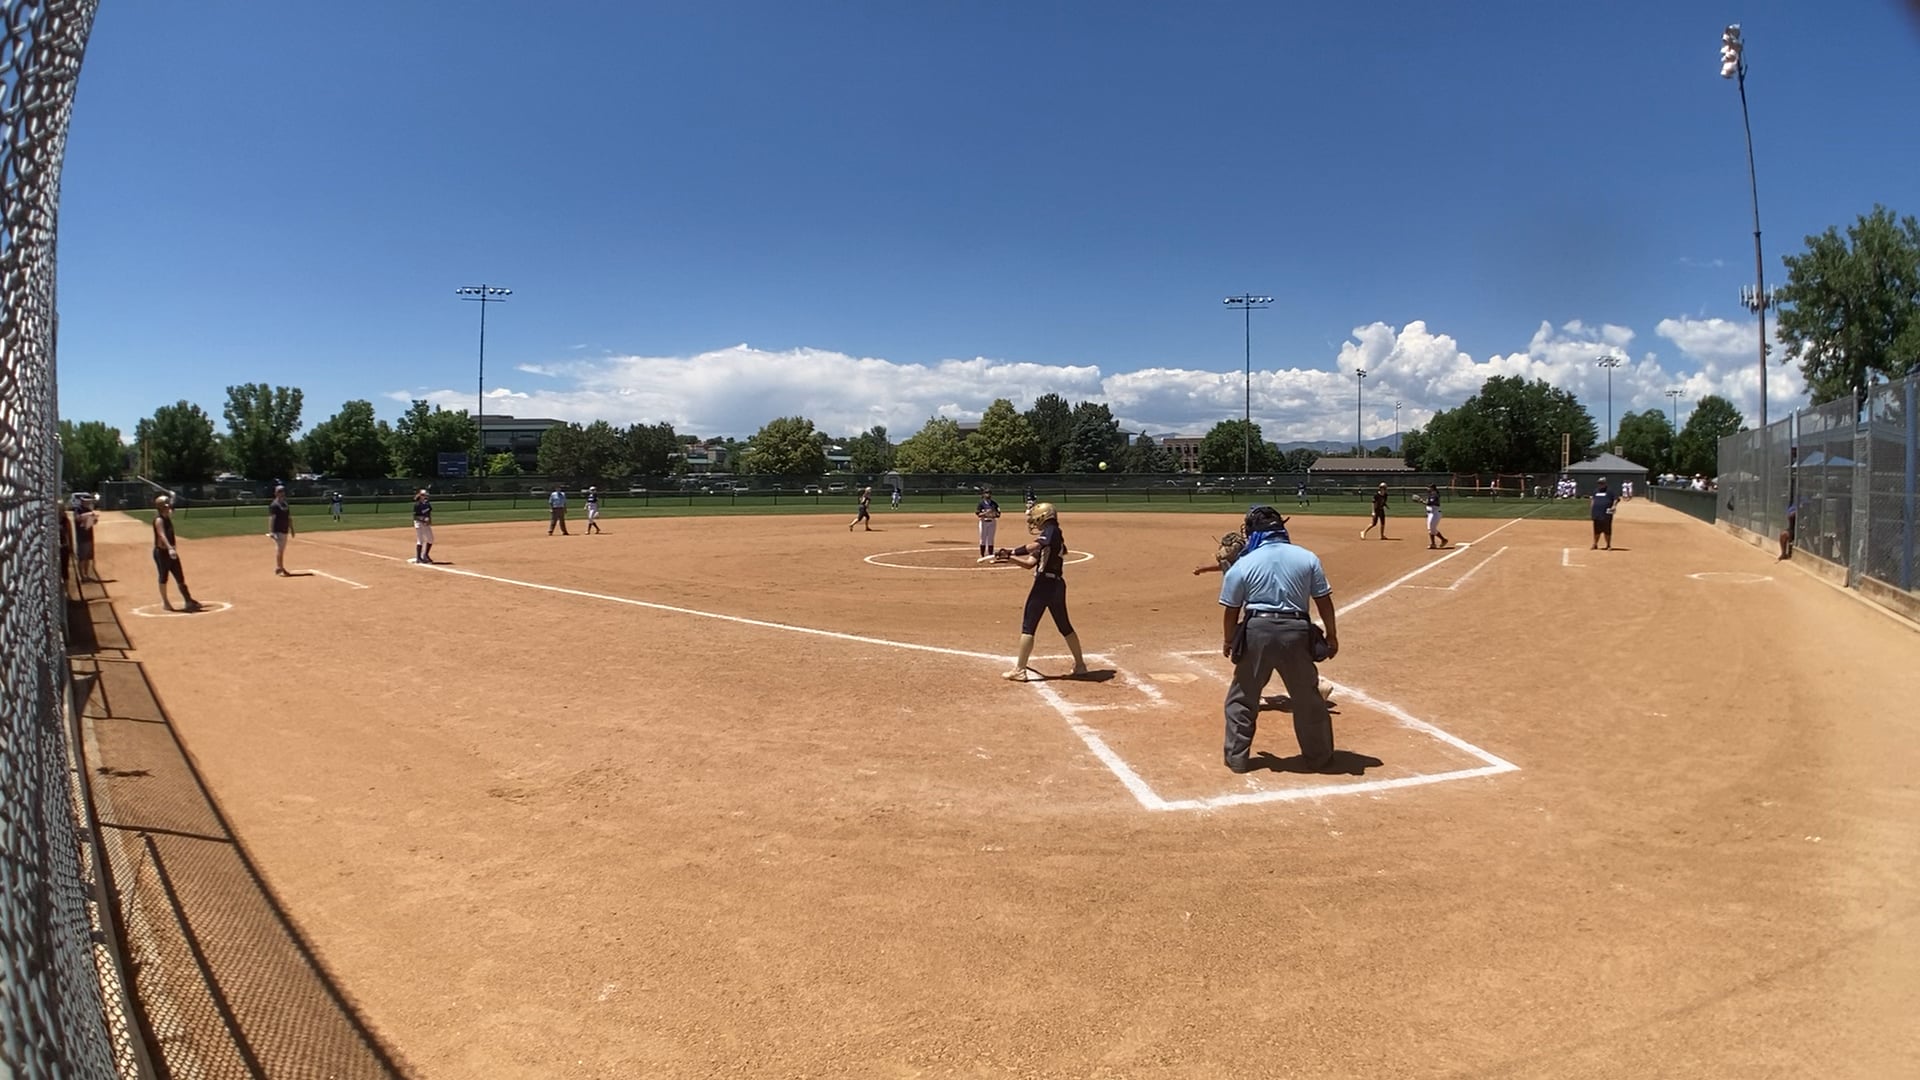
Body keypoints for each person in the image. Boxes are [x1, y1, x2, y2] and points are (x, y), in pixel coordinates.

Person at [1218, 505, 1339, 773]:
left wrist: (1228, 640)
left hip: (1256, 631)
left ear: (1254, 532)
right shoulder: (1307, 558)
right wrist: (1331, 635)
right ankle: (1319, 758)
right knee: (1307, 699)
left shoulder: (1245, 563)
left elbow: (1231, 609)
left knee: (1243, 697)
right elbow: (1323, 601)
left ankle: (1237, 758)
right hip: (1296, 631)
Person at [994, 502, 1087, 682]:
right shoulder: (1051, 536)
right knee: (1064, 625)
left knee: (1029, 626)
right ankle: (1080, 665)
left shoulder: (1051, 531)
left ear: (1043, 517)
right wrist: (1010, 558)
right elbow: (1030, 564)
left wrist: (1012, 551)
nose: (1033, 522)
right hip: (1057, 585)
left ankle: (1020, 670)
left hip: (1044, 585)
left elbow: (1033, 547)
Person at [150, 495, 202, 612]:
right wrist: (170, 548)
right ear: (162, 507)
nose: (169, 507)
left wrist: (173, 497)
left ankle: (188, 600)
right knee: (163, 577)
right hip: (162, 553)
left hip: (171, 552)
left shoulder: (166, 516)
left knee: (179, 576)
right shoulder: (159, 520)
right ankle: (165, 602)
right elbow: (161, 535)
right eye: (167, 505)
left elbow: (172, 508)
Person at [267, 484, 295, 576]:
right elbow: (272, 518)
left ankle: (279, 567)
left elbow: (289, 517)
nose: (281, 493)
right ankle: (280, 567)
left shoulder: (285, 504)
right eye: (279, 491)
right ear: (275, 493)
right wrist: (271, 531)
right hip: (278, 530)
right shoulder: (274, 505)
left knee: (281, 549)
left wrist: (292, 528)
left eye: (282, 491)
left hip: (285, 529)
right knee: (280, 549)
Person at [75, 495, 100, 583]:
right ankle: (82, 576)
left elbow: (93, 522)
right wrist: (88, 515)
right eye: (87, 501)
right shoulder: (78, 509)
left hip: (89, 536)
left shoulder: (88, 510)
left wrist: (94, 519)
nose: (88, 503)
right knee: (82, 558)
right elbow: (77, 518)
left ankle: (86, 574)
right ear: (82, 501)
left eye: (89, 501)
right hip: (82, 538)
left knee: (88, 557)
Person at [1590, 477, 1616, 551]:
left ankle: (1608, 545)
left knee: (1607, 530)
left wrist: (1614, 506)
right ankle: (1595, 544)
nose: (1600, 484)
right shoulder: (1596, 491)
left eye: (1602, 483)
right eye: (1599, 483)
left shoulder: (1610, 491)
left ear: (1605, 483)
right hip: (1597, 513)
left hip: (1606, 514)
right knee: (1596, 530)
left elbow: (1615, 499)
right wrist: (1592, 509)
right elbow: (1593, 500)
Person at [975, 486, 1001, 557]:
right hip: (983, 522)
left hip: (992, 522)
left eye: (989, 493)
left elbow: (998, 514)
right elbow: (978, 514)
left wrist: (993, 513)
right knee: (982, 539)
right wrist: (986, 513)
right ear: (983, 494)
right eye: (986, 493)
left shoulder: (994, 504)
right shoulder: (981, 504)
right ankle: (982, 555)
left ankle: (990, 555)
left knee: (990, 539)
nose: (988, 495)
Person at [1422, 484, 1450, 550]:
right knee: (1430, 529)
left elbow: (1431, 503)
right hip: (1430, 514)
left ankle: (1443, 540)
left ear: (1432, 488)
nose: (1427, 489)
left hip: (1435, 514)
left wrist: (1421, 501)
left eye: (1429, 487)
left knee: (1432, 529)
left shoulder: (1435, 495)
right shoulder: (1431, 494)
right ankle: (1433, 544)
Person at [413, 489, 437, 564]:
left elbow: (428, 513)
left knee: (431, 539)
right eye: (423, 495)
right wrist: (423, 519)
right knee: (420, 540)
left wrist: (429, 520)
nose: (425, 496)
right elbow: (415, 516)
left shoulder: (427, 503)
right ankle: (418, 558)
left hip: (426, 523)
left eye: (426, 495)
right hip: (419, 523)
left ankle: (425, 555)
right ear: (420, 496)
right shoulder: (417, 504)